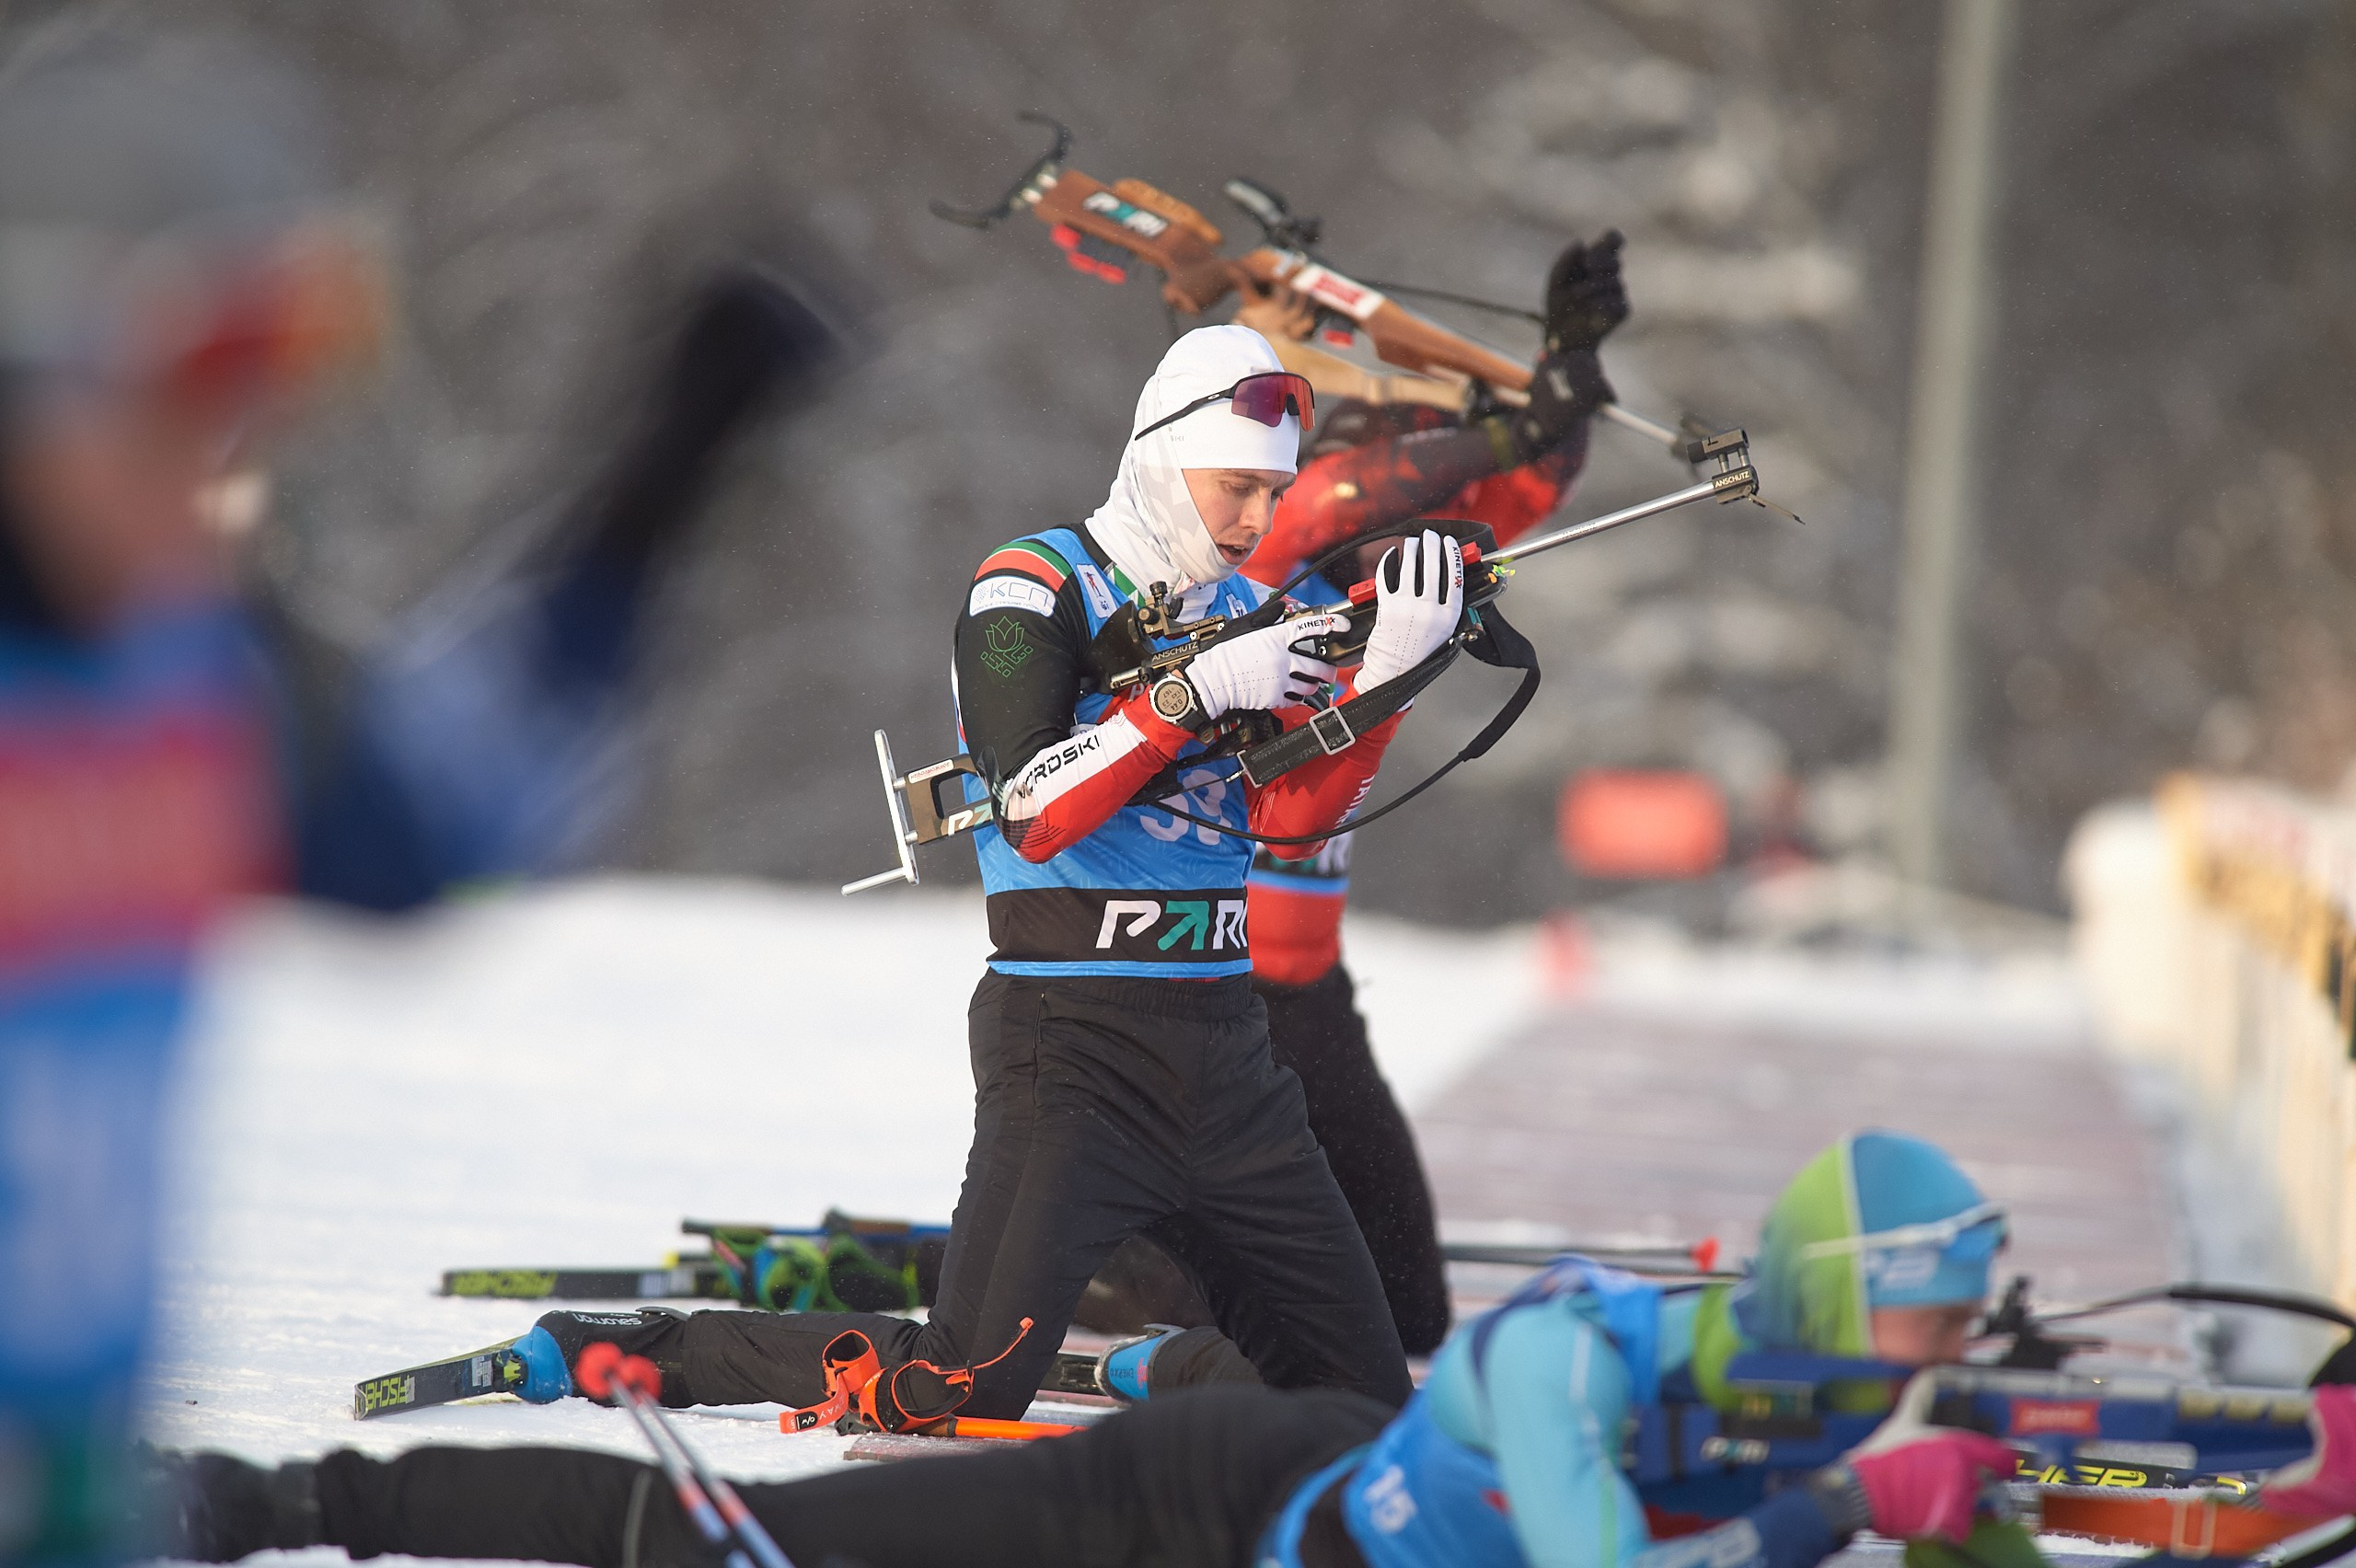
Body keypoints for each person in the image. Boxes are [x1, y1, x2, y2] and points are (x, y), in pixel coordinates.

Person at [0, 23, 831, 1562]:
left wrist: (659, 483)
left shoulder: (180, 660)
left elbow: (440, 832)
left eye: (258, 399)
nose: (221, 463)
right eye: (182, 395)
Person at [506, 323, 1462, 1428]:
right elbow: (1032, 808)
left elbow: (1288, 824)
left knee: (1364, 1404)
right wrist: (1188, 697)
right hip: (1076, 1052)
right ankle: (640, 1349)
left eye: (1273, 493)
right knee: (952, 1387)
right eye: (1234, 486)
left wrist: (1386, 682)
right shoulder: (1032, 586)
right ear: (1163, 456)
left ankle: (1159, 1369)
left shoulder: (1248, 616)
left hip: (1230, 1058)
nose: (1255, 520)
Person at [160, 1129, 2356, 1568]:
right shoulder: (1587, 1366)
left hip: (1309, 1469)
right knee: (755, 1552)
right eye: (1921, 1301)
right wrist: (1853, 1507)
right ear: (1821, 1286)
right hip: (1196, 1512)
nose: (1943, 1344)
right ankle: (281, 1503)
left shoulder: (1823, 1379)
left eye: (1958, 1310)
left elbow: (2168, 1471)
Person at [1235, 231, 1629, 1355]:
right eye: (1419, 490)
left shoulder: (1394, 577)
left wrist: (1564, 371)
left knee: (1408, 1313)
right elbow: (1327, 501)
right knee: (1243, 1310)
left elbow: (1525, 487)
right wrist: (1499, 430)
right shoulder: (1259, 570)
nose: (1439, 529)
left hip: (1309, 1005)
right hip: (1203, 1000)